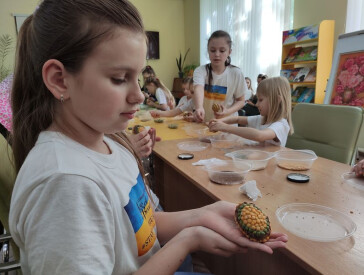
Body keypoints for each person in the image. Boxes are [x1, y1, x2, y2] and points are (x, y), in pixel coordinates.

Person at [8, 1, 287, 274]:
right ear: (59, 79)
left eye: (138, 78)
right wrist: (187, 241)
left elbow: (140, 223)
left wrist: (202, 216)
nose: (140, 95)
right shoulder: (66, 183)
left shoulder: (109, 143)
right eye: (119, 78)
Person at [208, 77, 293, 147]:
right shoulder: (262, 119)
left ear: (277, 100)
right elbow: (237, 119)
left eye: (260, 100)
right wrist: (219, 122)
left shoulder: (281, 125)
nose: (256, 104)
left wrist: (226, 127)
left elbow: (259, 135)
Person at [193, 30, 247, 122]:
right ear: (208, 51)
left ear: (229, 52)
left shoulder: (236, 73)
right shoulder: (200, 71)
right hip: (206, 123)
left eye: (222, 51)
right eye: (213, 50)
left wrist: (227, 111)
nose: (217, 54)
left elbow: (241, 101)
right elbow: (198, 88)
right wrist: (199, 107)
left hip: (228, 126)